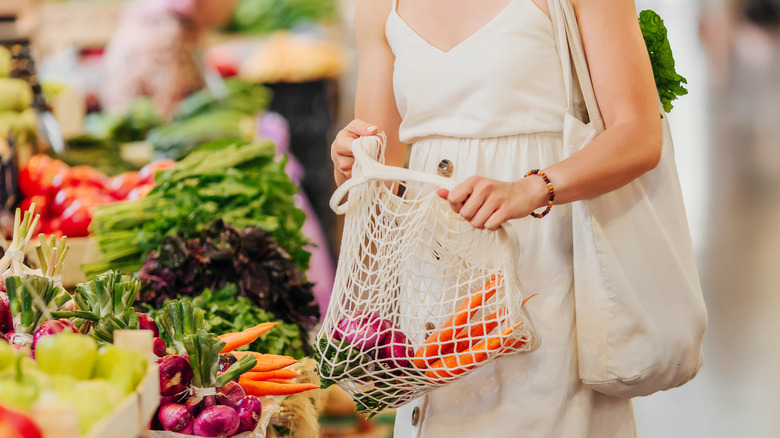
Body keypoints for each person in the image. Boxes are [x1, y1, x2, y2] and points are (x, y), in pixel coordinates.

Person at [330, 0, 661, 436]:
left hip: (545, 268)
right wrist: (350, 160)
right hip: (432, 290)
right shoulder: (378, 7)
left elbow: (638, 132)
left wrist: (531, 187)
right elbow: (378, 161)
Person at [102, 0, 238, 118]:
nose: (233, 4)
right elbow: (169, 110)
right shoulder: (169, 34)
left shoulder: (186, 27)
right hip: (140, 133)